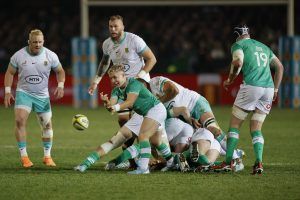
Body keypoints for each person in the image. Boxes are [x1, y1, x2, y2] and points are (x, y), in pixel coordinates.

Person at [212, 25, 284, 175]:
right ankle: (258, 162)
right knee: (256, 128)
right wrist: (276, 89)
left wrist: (230, 80)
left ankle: (227, 162)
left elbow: (237, 62)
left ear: (237, 35)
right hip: (268, 89)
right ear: (249, 34)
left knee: (235, 125)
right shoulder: (264, 47)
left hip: (252, 87)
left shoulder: (238, 45)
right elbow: (280, 67)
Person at [75, 64, 172, 174]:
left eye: (116, 77)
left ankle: (143, 168)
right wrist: (107, 103)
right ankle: (85, 164)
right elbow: (112, 108)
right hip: (141, 115)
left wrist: (114, 107)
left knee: (143, 136)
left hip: (155, 110)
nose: (113, 80)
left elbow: (130, 102)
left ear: (123, 75)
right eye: (111, 78)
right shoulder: (116, 90)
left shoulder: (134, 83)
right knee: (118, 141)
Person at [148, 76, 244, 166]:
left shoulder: (155, 82)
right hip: (185, 116)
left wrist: (158, 103)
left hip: (195, 102)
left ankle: (235, 156)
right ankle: (228, 155)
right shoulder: (147, 102)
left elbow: (174, 90)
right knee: (202, 139)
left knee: (212, 128)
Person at [4, 29, 65, 168]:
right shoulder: (18, 56)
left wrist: (61, 85)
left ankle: (47, 156)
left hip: (42, 96)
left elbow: (60, 71)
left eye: (40, 42)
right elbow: (9, 72)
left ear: (43, 41)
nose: (37, 44)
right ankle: (24, 157)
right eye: (34, 42)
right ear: (29, 42)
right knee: (20, 120)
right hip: (23, 93)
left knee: (47, 125)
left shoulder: (50, 55)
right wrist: (8, 91)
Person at [88, 15, 157, 128]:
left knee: (139, 117)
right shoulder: (107, 44)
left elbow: (152, 59)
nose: (113, 29)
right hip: (121, 83)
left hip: (138, 82)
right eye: (110, 26)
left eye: (116, 26)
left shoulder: (134, 40)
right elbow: (104, 63)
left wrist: (139, 77)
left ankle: (144, 141)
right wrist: (96, 82)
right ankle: (129, 144)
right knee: (123, 120)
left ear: (123, 27)